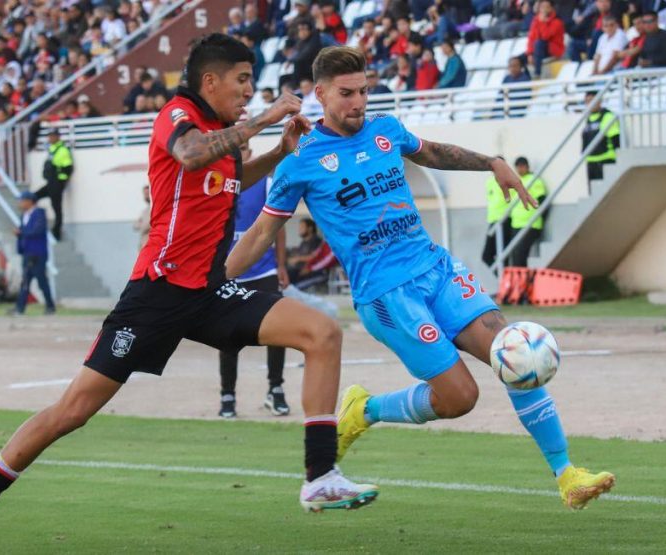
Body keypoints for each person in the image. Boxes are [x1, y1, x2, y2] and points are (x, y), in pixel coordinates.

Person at [0, 34, 377, 554]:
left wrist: (278, 151)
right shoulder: (178, 115)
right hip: (156, 294)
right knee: (72, 411)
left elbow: (230, 176)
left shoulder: (225, 134)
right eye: (243, 80)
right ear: (211, 80)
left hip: (208, 290)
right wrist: (264, 119)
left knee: (321, 332)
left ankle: (319, 476)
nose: (249, 91)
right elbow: (189, 156)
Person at [227, 46, 615, 511]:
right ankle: (364, 410)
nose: (358, 103)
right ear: (320, 94)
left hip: (435, 268)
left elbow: (433, 152)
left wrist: (491, 162)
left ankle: (567, 475)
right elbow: (261, 234)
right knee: (459, 398)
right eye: (346, 93)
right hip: (387, 296)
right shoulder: (301, 162)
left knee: (515, 352)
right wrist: (210, 281)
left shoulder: (386, 131)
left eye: (364, 91)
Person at [218, 142, 292, 419]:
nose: (241, 152)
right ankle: (228, 394)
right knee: (227, 335)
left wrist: (281, 264)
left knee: (280, 329)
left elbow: (278, 227)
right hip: (229, 271)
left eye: (245, 147)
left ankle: (276, 389)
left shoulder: (265, 183)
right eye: (236, 148)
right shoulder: (220, 182)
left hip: (263, 269)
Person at [10, 192, 56, 316]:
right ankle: (20, 308)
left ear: (30, 201)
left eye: (22, 200)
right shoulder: (24, 215)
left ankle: (50, 306)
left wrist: (20, 232)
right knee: (25, 281)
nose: (20, 203)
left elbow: (37, 231)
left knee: (41, 281)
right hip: (27, 252)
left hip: (38, 253)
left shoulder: (39, 213)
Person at [35, 128, 73, 240]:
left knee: (56, 207)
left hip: (56, 183)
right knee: (34, 197)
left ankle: (57, 232)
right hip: (50, 182)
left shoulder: (63, 150)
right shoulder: (51, 149)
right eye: (49, 136)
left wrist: (61, 180)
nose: (50, 138)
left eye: (52, 136)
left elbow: (68, 168)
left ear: (58, 137)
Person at [508, 157, 547, 267]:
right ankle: (518, 281)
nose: (520, 169)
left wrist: (540, 220)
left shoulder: (534, 180)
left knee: (521, 254)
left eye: (522, 166)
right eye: (518, 167)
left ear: (527, 167)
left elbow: (542, 200)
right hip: (516, 223)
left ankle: (524, 281)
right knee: (515, 254)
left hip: (530, 224)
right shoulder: (516, 181)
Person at [481, 156, 514, 270]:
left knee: (504, 255)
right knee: (486, 256)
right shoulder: (489, 182)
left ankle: (505, 282)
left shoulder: (510, 180)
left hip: (505, 220)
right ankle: (504, 281)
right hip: (493, 222)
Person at [582, 90, 621, 181]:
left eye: (592, 101)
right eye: (587, 101)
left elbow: (616, 139)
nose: (589, 104)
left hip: (606, 161)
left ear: (599, 101)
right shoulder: (588, 118)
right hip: (591, 162)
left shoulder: (607, 116)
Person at [526, 0, 566, 78]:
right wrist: (529, 54)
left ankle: (537, 73)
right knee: (519, 59)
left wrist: (543, 22)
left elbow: (545, 37)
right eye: (542, 7)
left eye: (546, 7)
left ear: (551, 8)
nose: (544, 9)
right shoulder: (536, 20)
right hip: (539, 50)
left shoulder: (557, 22)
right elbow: (531, 38)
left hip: (553, 49)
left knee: (539, 44)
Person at [286, 218, 324, 283]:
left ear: (310, 228)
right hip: (298, 270)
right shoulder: (303, 242)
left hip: (310, 272)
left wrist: (298, 259)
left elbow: (315, 257)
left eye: (302, 227)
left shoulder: (316, 241)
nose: (299, 229)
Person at [133, 184, 151, 251]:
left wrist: (142, 225)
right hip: (143, 244)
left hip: (151, 244)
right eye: (145, 194)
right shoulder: (145, 211)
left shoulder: (155, 208)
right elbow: (135, 225)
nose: (145, 196)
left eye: (147, 193)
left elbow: (148, 224)